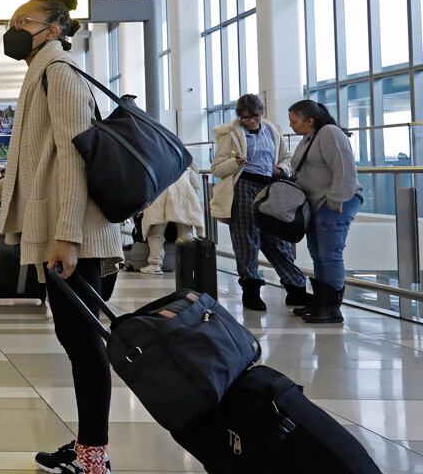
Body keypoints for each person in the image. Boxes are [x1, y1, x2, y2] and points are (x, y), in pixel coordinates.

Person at [0, 0, 121, 474]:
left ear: (52, 29)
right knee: (76, 342)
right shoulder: (42, 73)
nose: (13, 30)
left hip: (75, 235)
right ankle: (85, 448)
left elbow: (76, 159)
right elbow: (36, 157)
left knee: (84, 347)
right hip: (65, 230)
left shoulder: (60, 74)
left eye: (23, 21)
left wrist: (68, 236)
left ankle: (94, 470)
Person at [210, 93, 310, 311]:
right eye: (245, 118)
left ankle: (296, 288)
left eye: (255, 116)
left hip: (270, 187)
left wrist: (280, 169)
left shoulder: (272, 131)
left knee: (278, 238)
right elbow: (217, 168)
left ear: (262, 112)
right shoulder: (229, 134)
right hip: (243, 186)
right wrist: (235, 163)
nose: (251, 121)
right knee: (246, 240)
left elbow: (286, 158)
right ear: (239, 116)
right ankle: (251, 290)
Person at [287, 101, 362, 324]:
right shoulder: (309, 138)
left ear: (310, 120)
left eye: (294, 121)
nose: (291, 126)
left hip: (336, 202)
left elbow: (345, 169)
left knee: (330, 254)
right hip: (316, 204)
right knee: (317, 253)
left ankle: (332, 307)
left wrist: (335, 201)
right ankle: (322, 300)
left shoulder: (330, 133)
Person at [138, 168, 203, 274]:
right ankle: (188, 264)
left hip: (159, 191)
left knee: (156, 232)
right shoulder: (185, 162)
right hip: (183, 192)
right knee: (185, 233)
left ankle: (155, 264)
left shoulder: (155, 160)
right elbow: (196, 186)